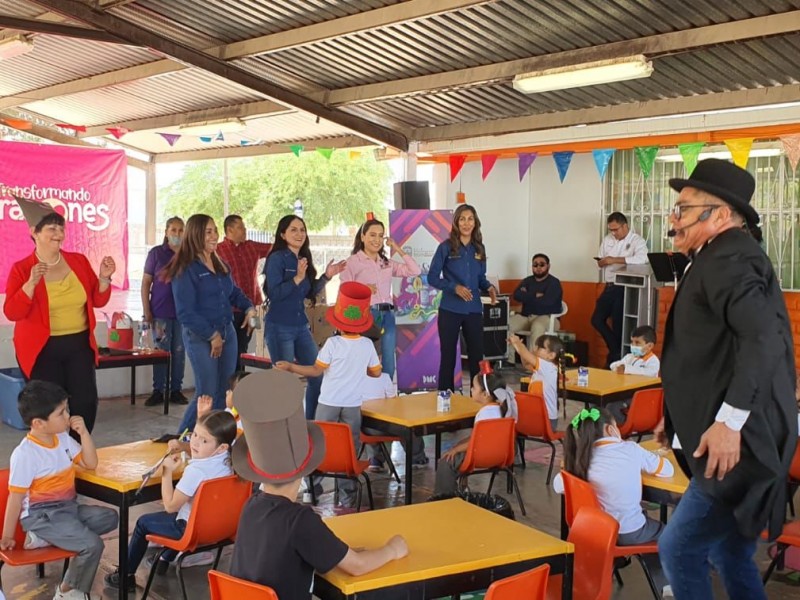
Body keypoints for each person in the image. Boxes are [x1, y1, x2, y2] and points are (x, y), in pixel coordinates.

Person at [657, 158, 797, 600]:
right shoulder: (718, 256)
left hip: (741, 448)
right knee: (729, 553)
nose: (671, 219)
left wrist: (730, 421)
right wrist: (675, 415)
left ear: (718, 214)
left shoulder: (730, 259)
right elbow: (717, 352)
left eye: (682, 208)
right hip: (740, 440)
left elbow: (763, 340)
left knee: (678, 549)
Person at [230, 370, 408, 600]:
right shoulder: (300, 520)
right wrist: (392, 549)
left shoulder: (251, 507)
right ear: (305, 469)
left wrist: (340, 551)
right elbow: (357, 567)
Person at [3, 196, 115, 433]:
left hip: (79, 345)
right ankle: (54, 458)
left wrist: (104, 277)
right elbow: (12, 312)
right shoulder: (22, 269)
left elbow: (97, 299)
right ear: (34, 232)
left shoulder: (78, 261)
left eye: (61, 228)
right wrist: (30, 284)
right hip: (42, 349)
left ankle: (77, 451)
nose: (59, 233)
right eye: (51, 228)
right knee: (50, 408)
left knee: (85, 402)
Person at [1, 380, 118, 600]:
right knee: (92, 545)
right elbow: (15, 499)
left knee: (110, 517)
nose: (68, 417)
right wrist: (7, 536)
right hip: (41, 515)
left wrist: (84, 434)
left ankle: (44, 538)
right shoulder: (26, 454)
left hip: (67, 509)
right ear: (39, 423)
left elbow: (90, 463)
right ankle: (68, 591)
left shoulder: (62, 438)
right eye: (61, 413)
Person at [276, 281, 382, 508]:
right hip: (353, 407)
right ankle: (347, 496)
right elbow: (376, 373)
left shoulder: (333, 344)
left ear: (339, 323)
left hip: (328, 403)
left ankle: (312, 487)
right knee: (350, 448)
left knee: (317, 444)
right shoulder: (367, 345)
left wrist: (292, 367)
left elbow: (315, 370)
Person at [105, 409, 237, 590]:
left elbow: (170, 506)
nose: (195, 442)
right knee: (181, 516)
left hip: (193, 531)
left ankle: (125, 576)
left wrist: (167, 472)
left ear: (221, 447)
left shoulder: (196, 471)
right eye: (195, 435)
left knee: (144, 523)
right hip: (223, 528)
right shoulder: (230, 461)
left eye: (204, 440)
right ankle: (164, 559)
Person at [552, 407, 674, 595]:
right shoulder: (631, 449)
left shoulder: (581, 459)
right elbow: (668, 470)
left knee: (643, 521)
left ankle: (617, 561)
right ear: (610, 430)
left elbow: (558, 485)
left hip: (594, 533)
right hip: (629, 531)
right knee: (671, 534)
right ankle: (666, 586)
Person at [164, 214, 256, 434]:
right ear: (196, 235)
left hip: (228, 333)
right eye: (208, 232)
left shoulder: (220, 263)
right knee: (206, 392)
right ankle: (183, 438)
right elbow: (186, 313)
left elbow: (233, 293)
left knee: (224, 391)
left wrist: (249, 307)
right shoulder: (185, 268)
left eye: (215, 230)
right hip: (201, 337)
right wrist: (212, 336)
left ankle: (215, 439)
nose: (214, 236)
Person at [263, 215, 345, 420]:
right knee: (285, 381)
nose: (300, 234)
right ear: (283, 234)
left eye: (302, 229)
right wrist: (297, 278)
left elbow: (308, 292)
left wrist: (327, 276)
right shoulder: (276, 258)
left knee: (317, 373)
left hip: (301, 326)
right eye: (293, 230)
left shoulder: (303, 258)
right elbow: (274, 294)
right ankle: (284, 425)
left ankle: (311, 422)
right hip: (280, 326)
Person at [340, 216, 421, 379]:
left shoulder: (387, 263)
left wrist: (397, 248)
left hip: (388, 315)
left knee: (388, 359)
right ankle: (363, 397)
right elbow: (344, 290)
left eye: (380, 235)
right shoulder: (352, 262)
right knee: (364, 358)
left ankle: (386, 395)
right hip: (365, 315)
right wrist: (362, 289)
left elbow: (415, 271)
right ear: (362, 237)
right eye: (372, 235)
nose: (377, 239)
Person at [428, 205, 498, 393]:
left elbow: (480, 278)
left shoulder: (479, 248)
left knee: (477, 357)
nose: (466, 223)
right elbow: (432, 277)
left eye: (470, 219)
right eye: (462, 219)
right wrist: (454, 287)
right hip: (450, 309)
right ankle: (446, 400)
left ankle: (478, 397)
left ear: (475, 223)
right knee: (449, 356)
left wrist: (489, 287)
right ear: (456, 222)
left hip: (473, 310)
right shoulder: (445, 247)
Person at [434, 368, 517, 495]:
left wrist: (456, 449)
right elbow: (479, 438)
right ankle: (462, 489)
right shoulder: (503, 410)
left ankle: (444, 499)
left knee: (446, 461)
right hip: (502, 455)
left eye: (474, 387)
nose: (471, 390)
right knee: (457, 448)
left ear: (485, 394)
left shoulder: (484, 414)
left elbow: (476, 443)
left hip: (481, 455)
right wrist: (458, 446)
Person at [141, 216, 188, 407]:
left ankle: (175, 390)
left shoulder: (189, 255)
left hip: (183, 314)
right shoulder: (156, 254)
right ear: (166, 232)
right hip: (159, 312)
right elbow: (145, 283)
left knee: (179, 352)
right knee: (161, 352)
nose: (177, 234)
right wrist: (147, 311)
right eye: (173, 230)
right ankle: (158, 391)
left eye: (180, 230)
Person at [215, 215, 272, 369]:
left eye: (244, 227)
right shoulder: (218, 250)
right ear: (229, 230)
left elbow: (274, 248)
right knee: (230, 347)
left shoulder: (251, 246)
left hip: (253, 308)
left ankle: (240, 379)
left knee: (245, 344)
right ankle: (230, 383)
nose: (245, 230)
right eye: (240, 227)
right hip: (230, 309)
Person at [591, 212, 648, 366]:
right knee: (596, 319)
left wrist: (614, 260)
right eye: (611, 230)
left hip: (625, 287)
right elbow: (601, 259)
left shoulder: (637, 241)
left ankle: (616, 358)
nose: (613, 233)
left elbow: (642, 259)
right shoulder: (608, 240)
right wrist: (603, 262)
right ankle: (615, 349)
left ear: (625, 226)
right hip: (609, 285)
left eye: (616, 229)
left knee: (619, 324)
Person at [509, 253, 563, 352]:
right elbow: (516, 295)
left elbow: (547, 302)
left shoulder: (554, 283)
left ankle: (533, 362)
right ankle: (508, 361)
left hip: (548, 317)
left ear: (548, 266)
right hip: (526, 316)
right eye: (535, 265)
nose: (538, 267)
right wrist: (535, 295)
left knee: (537, 326)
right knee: (506, 325)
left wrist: (527, 296)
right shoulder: (527, 281)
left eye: (542, 265)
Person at [508, 333, 562, 430]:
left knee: (510, 421)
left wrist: (517, 343)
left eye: (540, 347)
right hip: (541, 418)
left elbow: (525, 354)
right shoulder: (543, 368)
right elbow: (526, 363)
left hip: (547, 421)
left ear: (551, 355)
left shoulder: (548, 367)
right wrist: (519, 347)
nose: (535, 349)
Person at [607, 325, 660, 424]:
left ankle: (625, 426)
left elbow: (647, 373)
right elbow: (613, 365)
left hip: (640, 397)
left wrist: (626, 368)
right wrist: (619, 367)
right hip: (624, 392)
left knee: (612, 406)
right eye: (632, 342)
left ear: (649, 346)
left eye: (637, 343)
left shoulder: (653, 361)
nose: (633, 345)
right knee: (599, 403)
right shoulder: (630, 357)